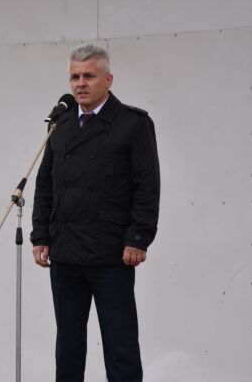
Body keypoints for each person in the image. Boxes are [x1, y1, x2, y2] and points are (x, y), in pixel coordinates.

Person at [30, 44, 160, 382]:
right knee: (68, 348)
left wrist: (138, 238)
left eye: (88, 76)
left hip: (111, 254)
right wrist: (40, 235)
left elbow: (147, 186)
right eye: (75, 77)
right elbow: (45, 184)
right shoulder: (60, 123)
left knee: (120, 347)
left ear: (108, 80)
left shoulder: (132, 124)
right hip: (66, 254)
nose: (80, 84)